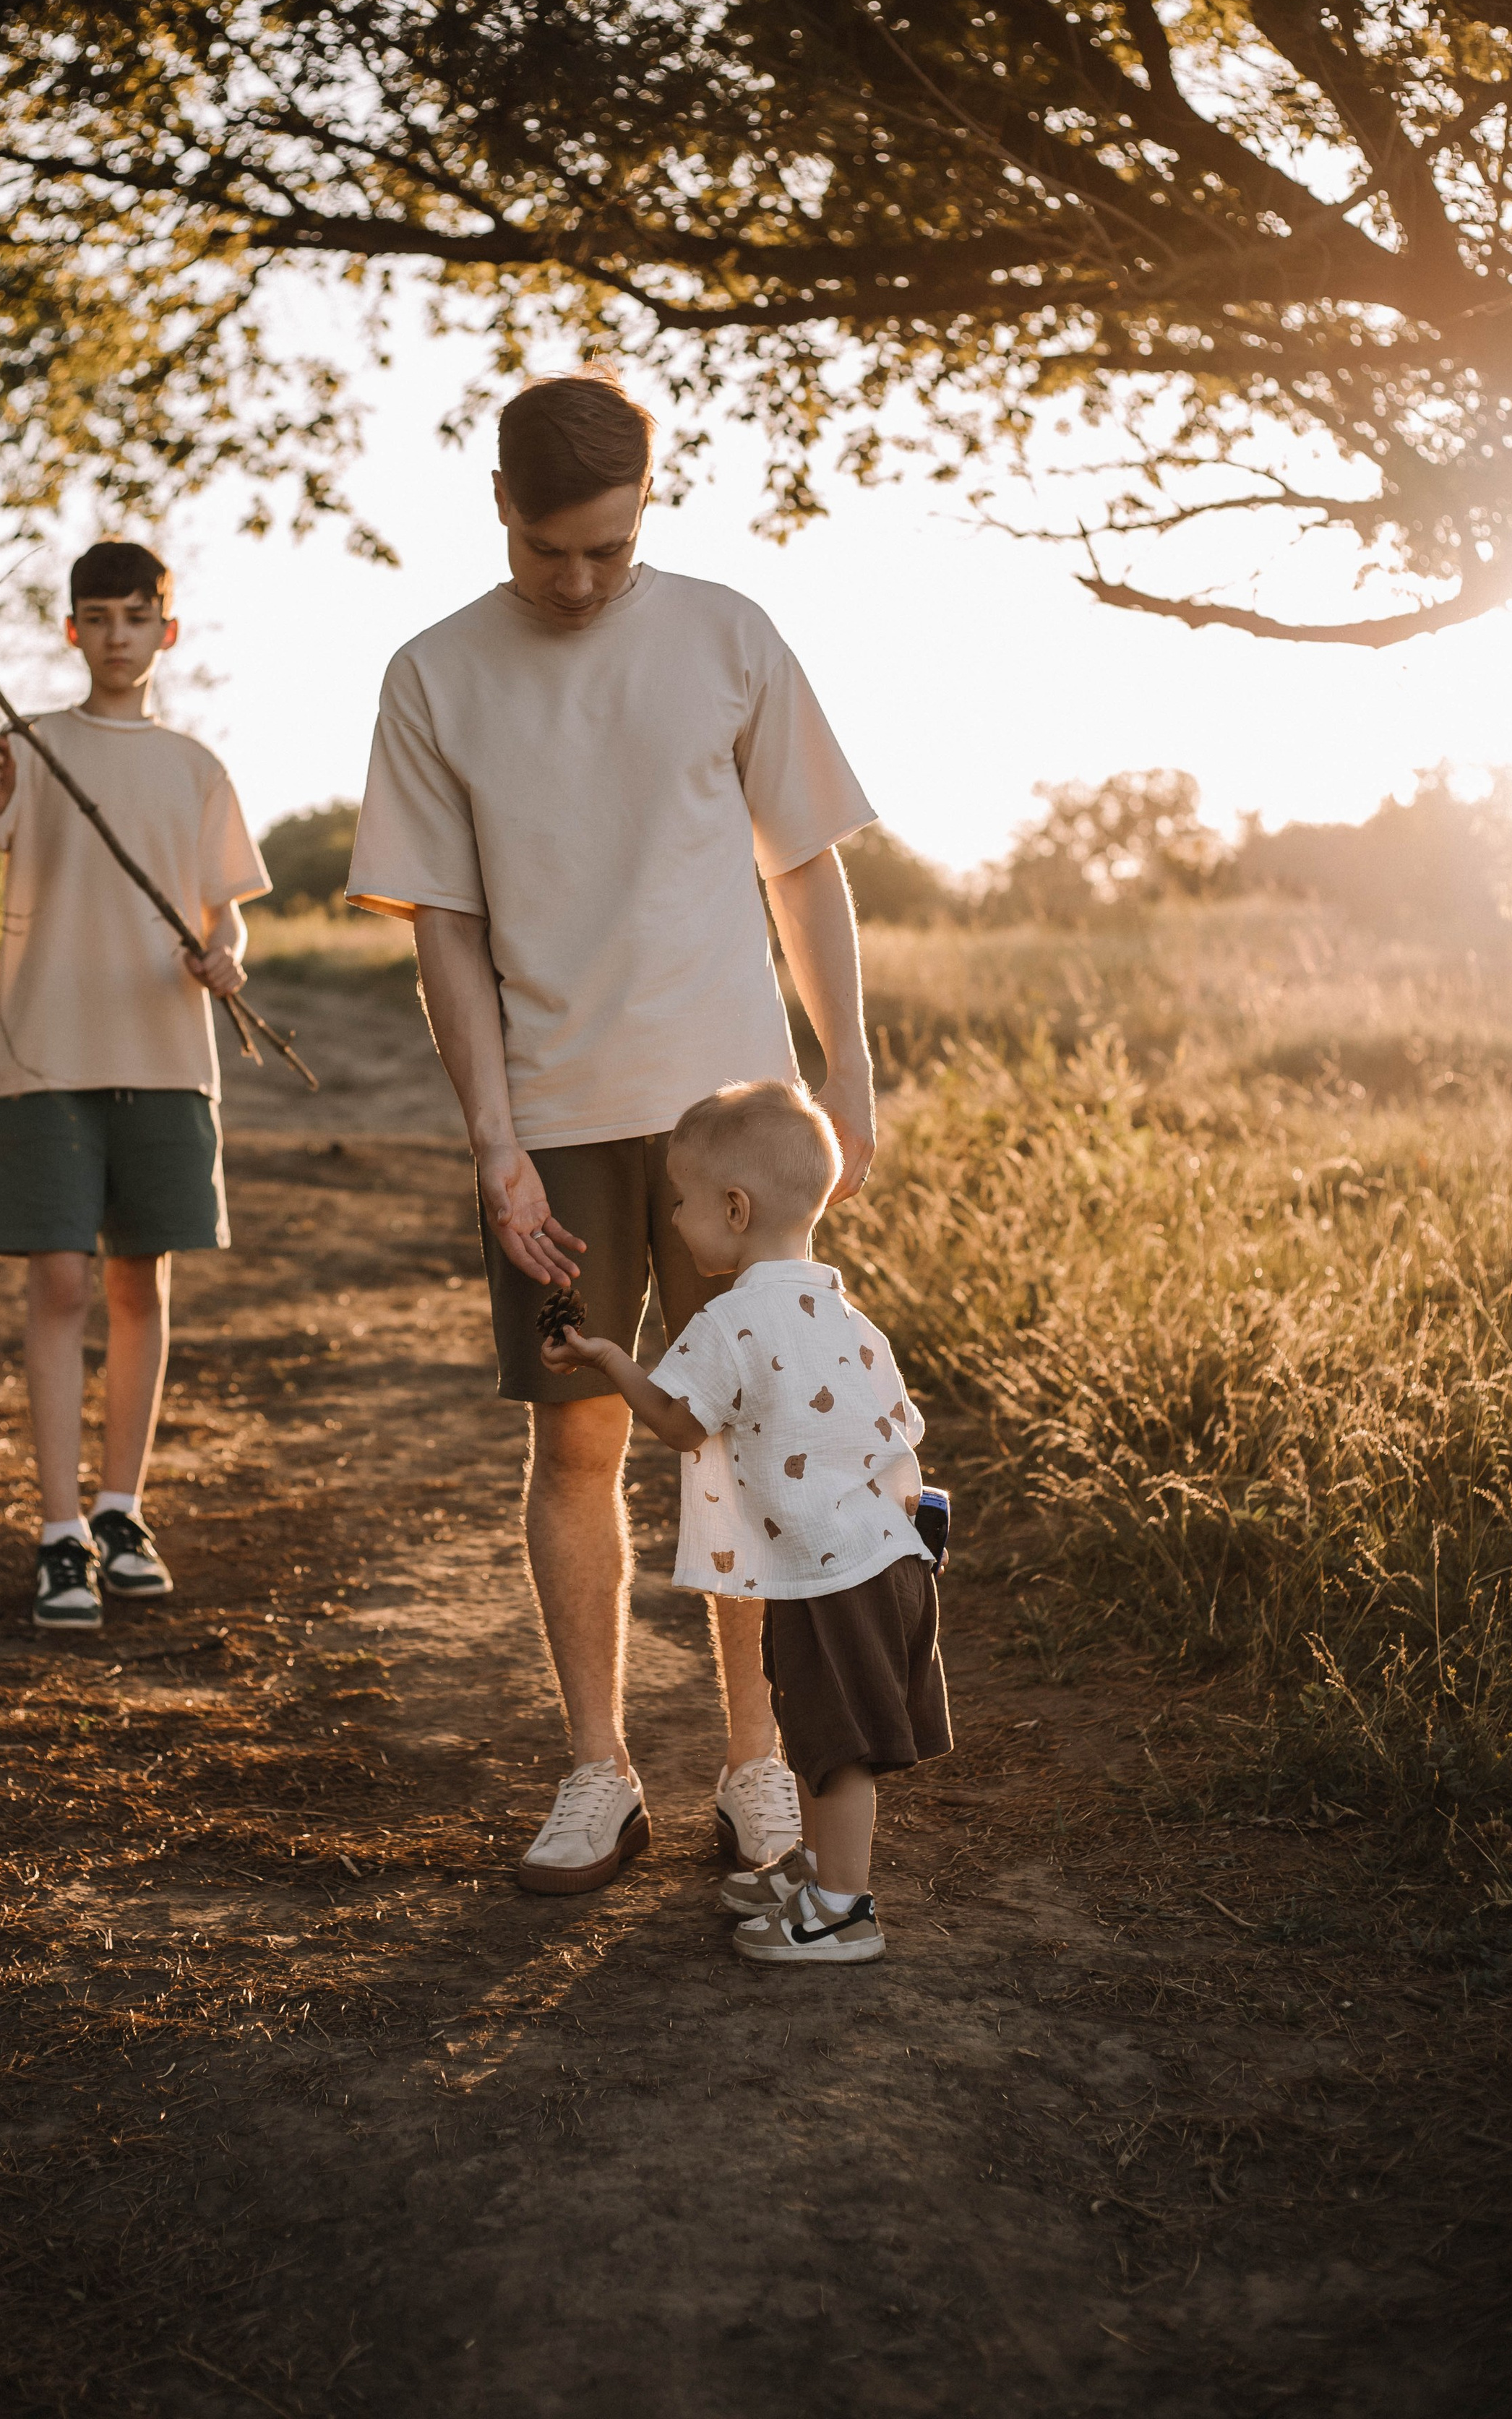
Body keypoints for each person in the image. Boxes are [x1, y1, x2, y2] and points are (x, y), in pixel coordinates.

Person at [346, 370, 879, 1891]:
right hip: (560, 1118)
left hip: (736, 1122)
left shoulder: (727, 635)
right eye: (548, 550)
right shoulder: (434, 674)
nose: (578, 583)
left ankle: (757, 1765)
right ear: (498, 507)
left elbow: (804, 868)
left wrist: (847, 1066)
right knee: (577, 1437)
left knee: (752, 1441)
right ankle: (599, 1772)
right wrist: (493, 1141)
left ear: (647, 508)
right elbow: (444, 930)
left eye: (609, 549)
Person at [0, 542, 270, 1634]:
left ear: (166, 631)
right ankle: (59, 1531)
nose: (117, 636)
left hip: (166, 1058)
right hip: (45, 1059)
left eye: (136, 617)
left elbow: (227, 912)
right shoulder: (28, 749)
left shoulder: (194, 767)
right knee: (59, 1287)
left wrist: (227, 959)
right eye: (98, 617)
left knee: (140, 1286)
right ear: (72, 630)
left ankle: (122, 1511)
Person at [541, 1079, 950, 1964]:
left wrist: (610, 1359)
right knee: (814, 1727)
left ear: (735, 1208)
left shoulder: (728, 1321)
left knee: (838, 1749)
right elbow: (900, 1443)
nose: (674, 1220)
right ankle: (815, 1868)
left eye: (681, 1203)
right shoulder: (850, 1317)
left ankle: (842, 1912)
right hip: (883, 1559)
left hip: (834, 1575)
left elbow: (679, 1424)